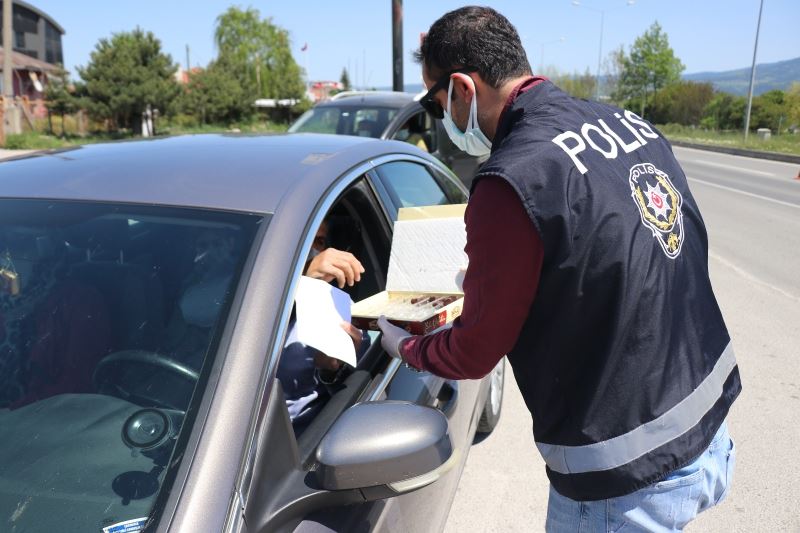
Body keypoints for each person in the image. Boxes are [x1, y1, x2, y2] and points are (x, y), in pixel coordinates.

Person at [377, 7, 740, 532]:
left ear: (461, 88)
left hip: (624, 475)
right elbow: (668, 242)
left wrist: (404, 347)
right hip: (707, 427)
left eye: (437, 105)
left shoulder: (512, 178)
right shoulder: (626, 122)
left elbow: (476, 350)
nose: (443, 121)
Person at [277, 219, 367, 429]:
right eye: (298, 238)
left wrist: (331, 372)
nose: (308, 249)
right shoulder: (231, 292)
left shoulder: (340, 311)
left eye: (317, 241)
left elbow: (356, 396)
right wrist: (296, 280)